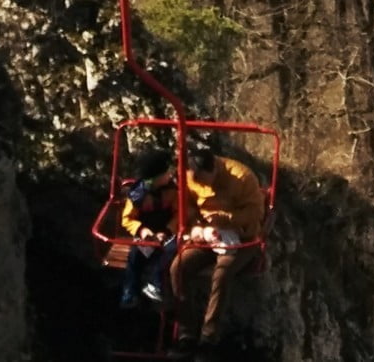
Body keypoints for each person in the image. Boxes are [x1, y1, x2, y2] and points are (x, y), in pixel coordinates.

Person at [166, 138, 267, 355]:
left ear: (212, 170)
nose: (203, 187)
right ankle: (186, 332)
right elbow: (186, 209)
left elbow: (255, 214)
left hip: (241, 237)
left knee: (222, 273)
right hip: (206, 235)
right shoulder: (189, 179)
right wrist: (196, 229)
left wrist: (226, 219)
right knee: (178, 268)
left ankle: (209, 337)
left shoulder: (241, 177)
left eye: (205, 181)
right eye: (198, 182)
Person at [113, 148, 179, 310]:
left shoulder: (172, 192)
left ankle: (155, 284)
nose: (170, 175)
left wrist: (168, 230)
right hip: (147, 237)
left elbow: (180, 214)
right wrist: (141, 230)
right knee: (135, 257)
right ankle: (130, 292)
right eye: (166, 172)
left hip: (167, 235)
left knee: (171, 250)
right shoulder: (138, 196)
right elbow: (127, 219)